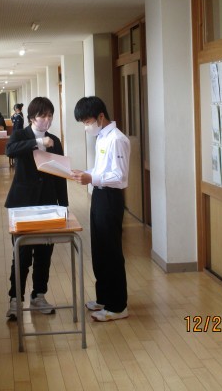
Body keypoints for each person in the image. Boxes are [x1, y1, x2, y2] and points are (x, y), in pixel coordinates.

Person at [4, 97, 69, 319]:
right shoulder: (21, 135)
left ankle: (38, 295)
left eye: (50, 116)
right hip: (22, 203)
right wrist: (38, 142)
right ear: (32, 117)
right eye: (43, 116)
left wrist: (64, 205)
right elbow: (10, 150)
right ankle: (15, 299)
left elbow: (60, 174)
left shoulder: (55, 141)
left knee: (44, 253)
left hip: (48, 203)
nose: (47, 120)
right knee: (22, 254)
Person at [72, 96, 130, 322]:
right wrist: (86, 173)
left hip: (110, 198)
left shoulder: (117, 139)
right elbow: (101, 169)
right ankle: (104, 298)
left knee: (111, 251)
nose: (86, 127)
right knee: (99, 249)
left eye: (87, 122)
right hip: (98, 195)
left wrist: (92, 178)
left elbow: (120, 177)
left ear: (101, 116)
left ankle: (118, 306)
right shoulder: (102, 138)